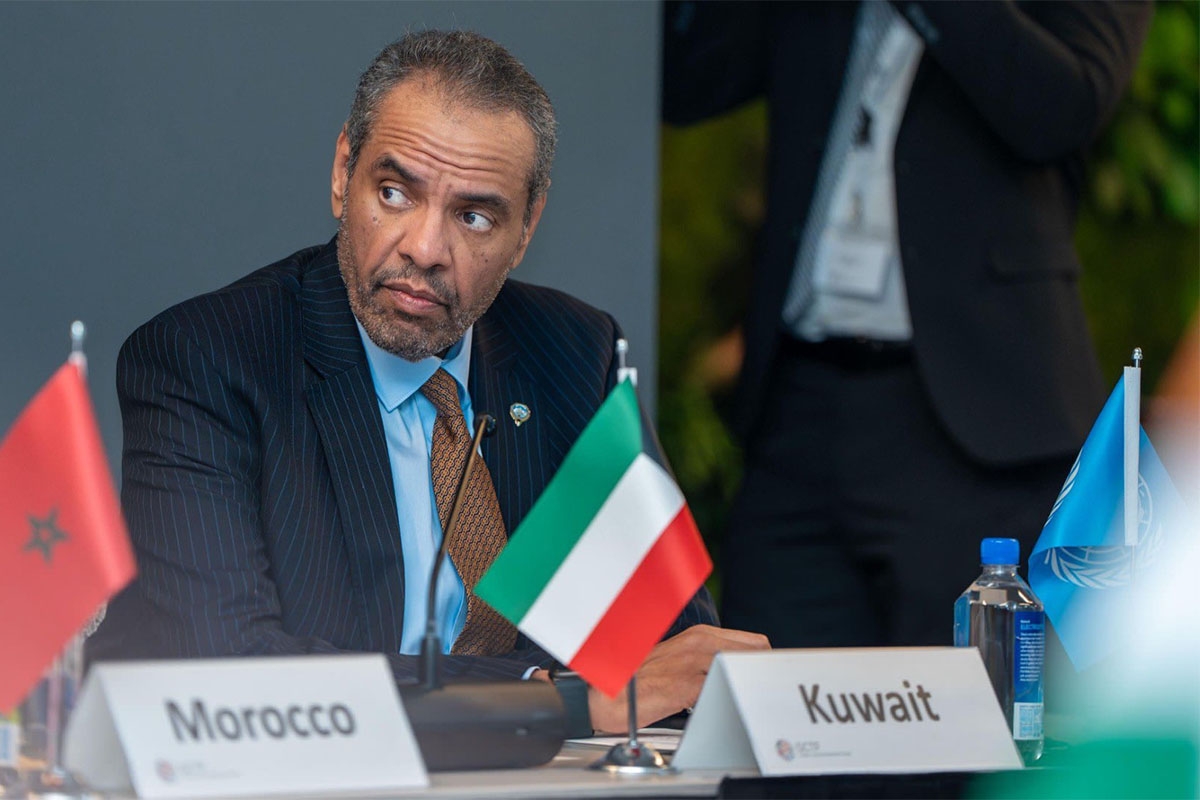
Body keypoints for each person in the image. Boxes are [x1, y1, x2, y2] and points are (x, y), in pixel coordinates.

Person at [88, 30, 768, 734]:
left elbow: (668, 662)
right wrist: (554, 695)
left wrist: (604, 692)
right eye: (394, 193)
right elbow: (232, 670)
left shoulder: (571, 352)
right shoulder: (206, 360)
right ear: (342, 174)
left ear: (527, 228)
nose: (425, 248)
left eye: (474, 216)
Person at [662, 1, 1151, 647]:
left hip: (974, 415)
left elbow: (1065, 110)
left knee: (963, 699)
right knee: (769, 691)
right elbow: (684, 80)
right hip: (799, 406)